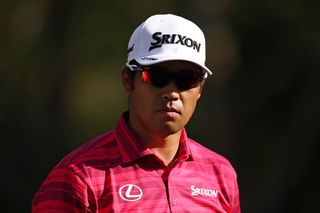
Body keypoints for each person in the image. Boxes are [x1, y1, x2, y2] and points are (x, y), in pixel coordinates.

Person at [32, 14, 241, 213]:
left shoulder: (220, 173)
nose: (171, 92)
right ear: (127, 80)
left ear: (200, 88)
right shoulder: (78, 175)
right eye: (157, 76)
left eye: (188, 79)